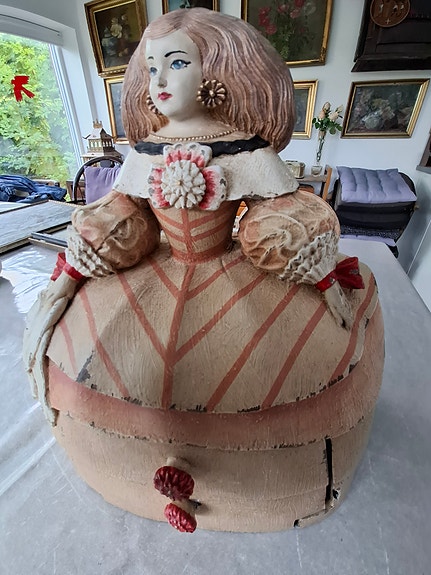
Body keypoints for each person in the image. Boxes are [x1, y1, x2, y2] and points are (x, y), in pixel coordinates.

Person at [24, 8, 376, 439]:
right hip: (160, 268)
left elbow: (282, 215)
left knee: (270, 370)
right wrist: (68, 278)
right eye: (152, 67)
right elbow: (121, 214)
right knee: (108, 356)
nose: (159, 79)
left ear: (217, 70)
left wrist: (322, 278)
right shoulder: (145, 150)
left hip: (231, 271)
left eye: (177, 63)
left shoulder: (246, 149)